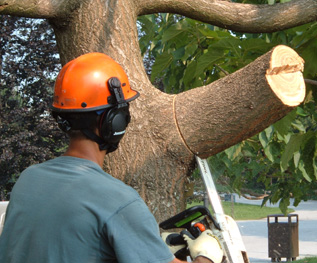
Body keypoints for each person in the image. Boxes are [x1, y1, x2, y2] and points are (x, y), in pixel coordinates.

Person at [0, 52, 223, 263]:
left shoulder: (28, 180)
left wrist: (149, 247)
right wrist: (207, 253)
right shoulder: (119, 200)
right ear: (113, 121)